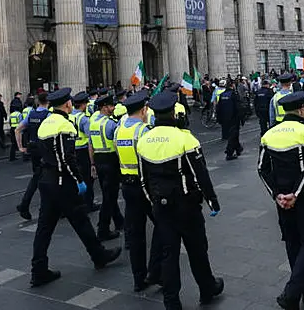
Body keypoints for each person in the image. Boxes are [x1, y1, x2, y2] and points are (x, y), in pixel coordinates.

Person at [136, 91, 225, 310]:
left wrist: (152, 200)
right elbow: (200, 174)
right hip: (187, 205)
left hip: (160, 205)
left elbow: (143, 178)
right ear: (174, 114)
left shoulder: (143, 140)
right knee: (197, 249)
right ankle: (207, 289)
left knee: (169, 254)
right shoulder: (186, 139)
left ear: (155, 115)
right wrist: (212, 201)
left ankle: (171, 302)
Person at [29, 89, 120, 287]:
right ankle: (98, 255)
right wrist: (79, 179)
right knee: (81, 220)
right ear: (68, 104)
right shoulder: (65, 125)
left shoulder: (46, 123)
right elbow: (67, 158)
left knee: (44, 228)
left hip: (46, 180)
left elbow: (39, 150)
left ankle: (38, 269)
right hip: (63, 182)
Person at [258, 91, 304, 310]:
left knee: (292, 241)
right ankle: (293, 291)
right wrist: (296, 194)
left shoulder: (269, 134)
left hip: (281, 200)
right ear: (302, 109)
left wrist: (277, 194)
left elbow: (261, 168)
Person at [115, 92, 163, 292]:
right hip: (145, 187)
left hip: (127, 186)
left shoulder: (118, 130)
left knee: (135, 235)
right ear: (143, 110)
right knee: (162, 226)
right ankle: (155, 271)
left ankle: (138, 279)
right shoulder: (143, 131)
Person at [89, 93, 125, 240]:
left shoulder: (93, 123)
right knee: (110, 197)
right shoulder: (110, 124)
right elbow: (116, 145)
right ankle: (103, 229)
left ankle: (119, 221)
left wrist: (92, 164)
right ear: (104, 107)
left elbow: (90, 145)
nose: (113, 108)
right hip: (111, 160)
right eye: (111, 106)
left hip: (98, 159)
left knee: (107, 193)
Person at [16, 93, 51, 221]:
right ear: (48, 101)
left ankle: (25, 205)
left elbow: (18, 130)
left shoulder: (31, 114)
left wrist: (21, 147)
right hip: (44, 149)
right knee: (46, 177)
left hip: (33, 148)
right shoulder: (48, 115)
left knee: (38, 176)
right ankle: (43, 208)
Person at [70, 92, 97, 210]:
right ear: (83, 105)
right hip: (83, 150)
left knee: (75, 177)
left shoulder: (70, 116)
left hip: (72, 150)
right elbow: (90, 138)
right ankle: (88, 204)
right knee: (87, 178)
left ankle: (77, 202)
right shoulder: (84, 119)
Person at [216, 80, 242, 160]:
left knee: (234, 134)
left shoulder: (222, 95)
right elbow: (238, 107)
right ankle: (229, 152)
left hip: (225, 118)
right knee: (233, 135)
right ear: (232, 85)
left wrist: (219, 118)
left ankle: (238, 148)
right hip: (233, 118)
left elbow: (218, 108)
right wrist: (241, 118)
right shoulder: (234, 94)